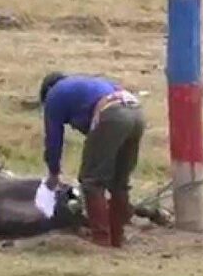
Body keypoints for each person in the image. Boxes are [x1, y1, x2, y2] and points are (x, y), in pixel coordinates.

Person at [40, 73, 145, 248]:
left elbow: (53, 139)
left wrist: (53, 172)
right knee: (119, 182)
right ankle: (117, 238)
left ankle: (101, 241)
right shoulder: (89, 85)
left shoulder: (54, 95)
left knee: (91, 182)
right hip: (136, 112)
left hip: (112, 114)